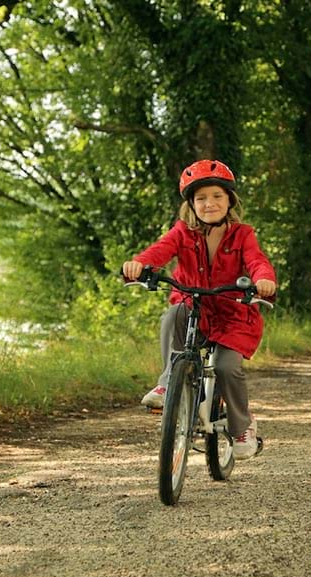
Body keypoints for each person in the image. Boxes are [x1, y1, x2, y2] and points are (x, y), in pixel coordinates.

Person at [122, 159, 276, 459]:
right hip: (194, 306)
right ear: (191, 204)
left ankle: (242, 426)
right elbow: (161, 249)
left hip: (233, 314)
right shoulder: (183, 232)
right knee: (172, 316)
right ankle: (168, 386)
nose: (209, 204)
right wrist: (140, 263)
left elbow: (257, 260)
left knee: (225, 367)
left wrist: (264, 280)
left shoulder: (242, 234)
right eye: (201, 198)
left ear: (229, 199)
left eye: (217, 196)